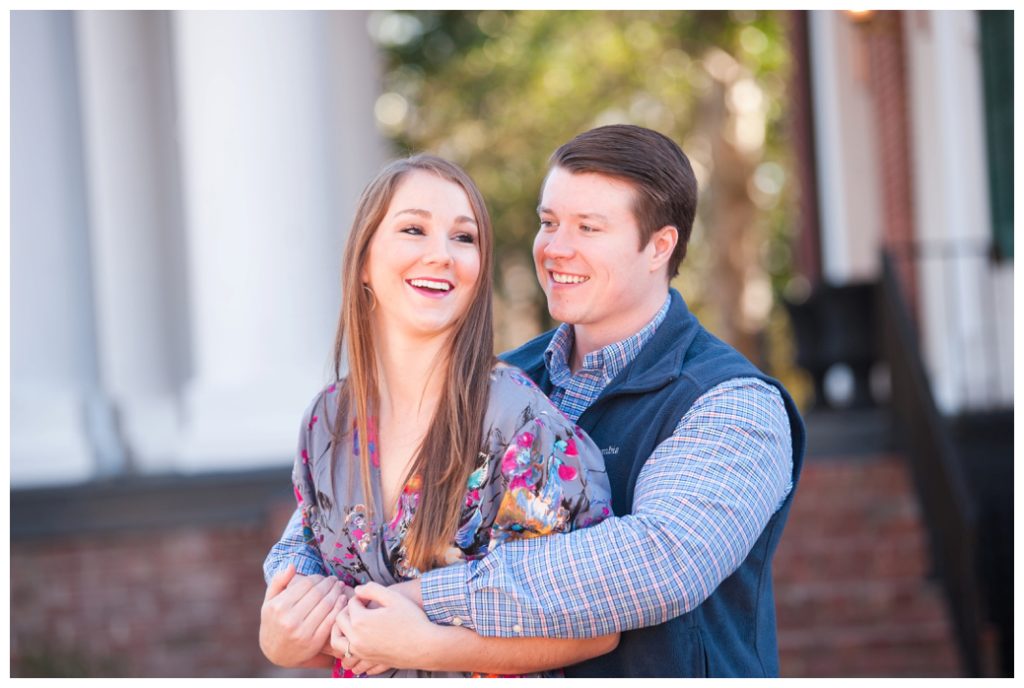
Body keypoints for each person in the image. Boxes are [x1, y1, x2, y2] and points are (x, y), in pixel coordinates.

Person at [265, 125, 806, 677]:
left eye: (588, 228)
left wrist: (422, 601)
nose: (555, 248)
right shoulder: (493, 380)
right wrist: (287, 606)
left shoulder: (731, 404)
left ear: (659, 246)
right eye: (549, 223)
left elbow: (658, 564)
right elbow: (329, 521)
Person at [258, 154, 617, 678]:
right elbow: (321, 612)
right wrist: (282, 641)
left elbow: (594, 628)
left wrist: (425, 645)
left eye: (464, 238)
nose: (442, 255)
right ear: (363, 260)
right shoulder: (327, 422)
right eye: (413, 229)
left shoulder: (520, 423)